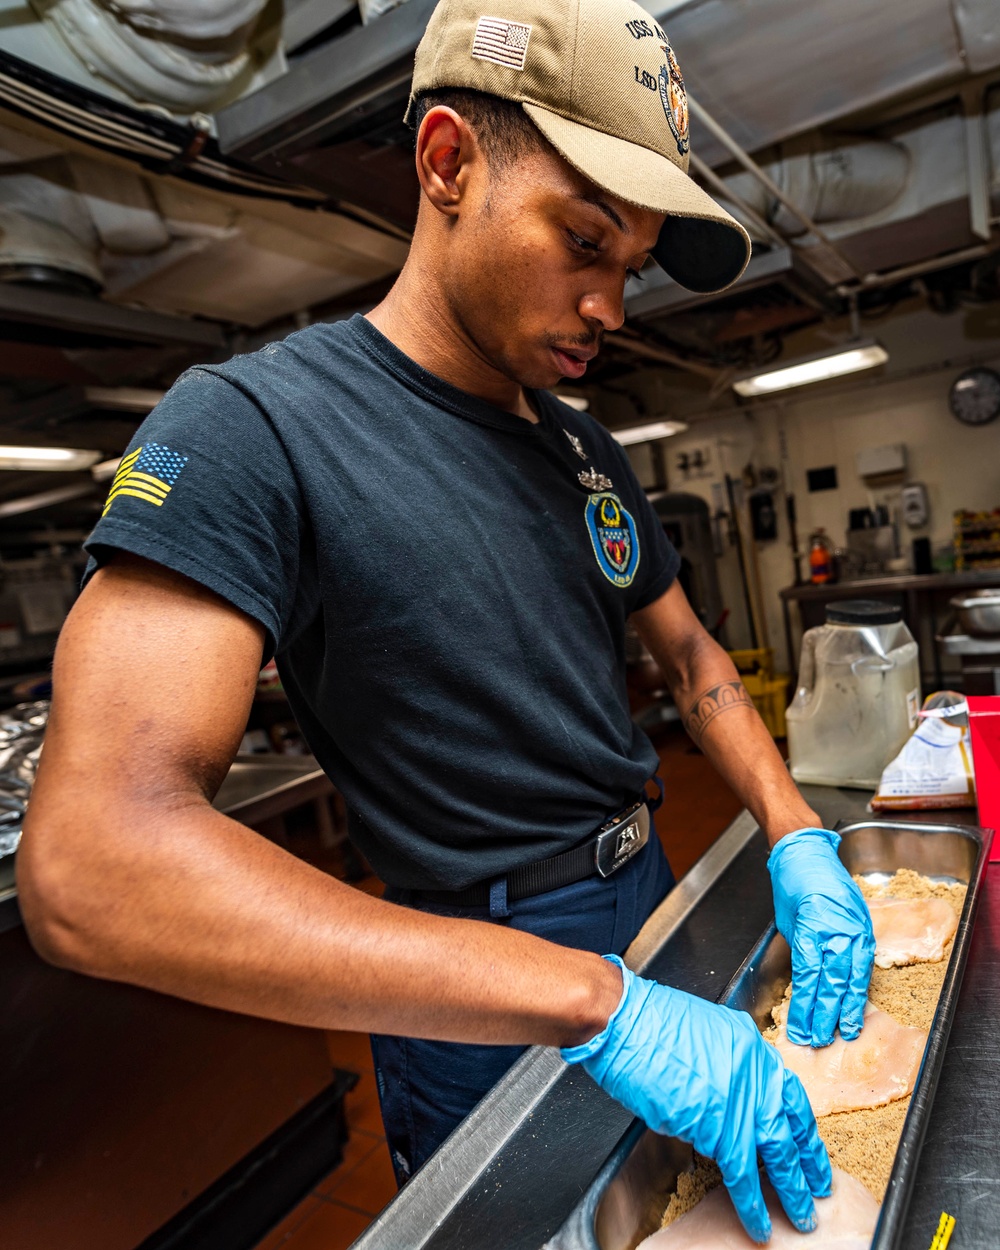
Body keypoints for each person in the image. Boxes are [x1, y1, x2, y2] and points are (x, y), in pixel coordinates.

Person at [16, 0, 874, 1242]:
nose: (610, 309)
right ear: (447, 163)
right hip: (477, 966)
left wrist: (794, 831)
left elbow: (687, 652)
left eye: (627, 267)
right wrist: (596, 1002)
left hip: (647, 900)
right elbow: (94, 863)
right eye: (583, 241)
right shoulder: (257, 428)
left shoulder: (581, 444)